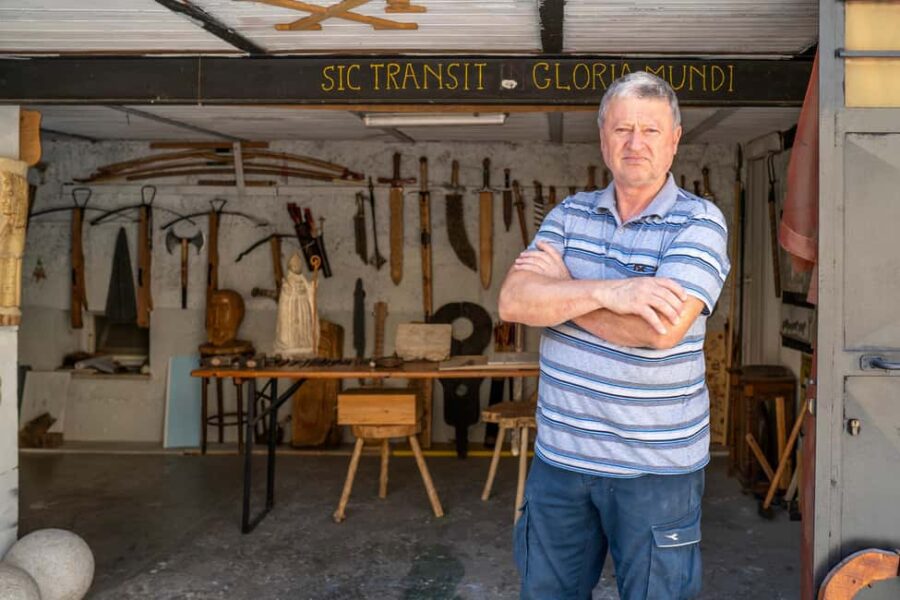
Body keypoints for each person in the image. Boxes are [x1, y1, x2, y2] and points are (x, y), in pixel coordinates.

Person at [498, 71, 730, 599]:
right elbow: (514, 301)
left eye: (650, 130)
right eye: (622, 129)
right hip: (561, 464)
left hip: (655, 474)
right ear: (603, 137)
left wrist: (563, 292)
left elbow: (660, 331)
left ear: (674, 138)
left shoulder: (699, 222)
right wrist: (613, 292)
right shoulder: (568, 215)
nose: (634, 143)